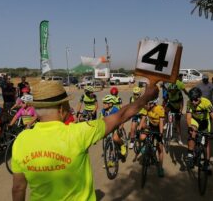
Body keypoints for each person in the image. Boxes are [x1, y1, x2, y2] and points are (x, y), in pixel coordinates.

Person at [11, 81, 158, 201]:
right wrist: (146, 97)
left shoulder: (21, 140)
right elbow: (121, 116)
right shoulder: (79, 132)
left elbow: (18, 188)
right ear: (62, 109)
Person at [185, 87, 213, 170]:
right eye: (191, 100)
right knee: (192, 132)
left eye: (195, 100)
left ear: (200, 98)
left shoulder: (206, 102)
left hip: (205, 121)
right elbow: (188, 116)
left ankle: (207, 162)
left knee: (206, 142)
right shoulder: (189, 103)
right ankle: (190, 154)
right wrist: (189, 126)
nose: (193, 102)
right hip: (195, 120)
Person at [138, 98, 165, 177]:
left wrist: (161, 133)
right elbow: (143, 118)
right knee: (142, 137)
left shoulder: (159, 109)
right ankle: (146, 146)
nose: (146, 105)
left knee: (160, 147)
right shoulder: (146, 108)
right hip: (151, 126)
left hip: (158, 127)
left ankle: (160, 167)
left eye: (148, 103)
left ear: (153, 103)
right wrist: (139, 128)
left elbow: (161, 121)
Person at [100, 95, 126, 160]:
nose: (103, 104)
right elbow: (100, 119)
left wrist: (121, 126)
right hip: (109, 127)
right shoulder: (103, 110)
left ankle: (122, 145)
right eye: (103, 102)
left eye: (105, 103)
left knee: (115, 138)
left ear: (110, 104)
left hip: (116, 126)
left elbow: (122, 118)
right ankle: (110, 160)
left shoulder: (115, 110)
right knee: (109, 142)